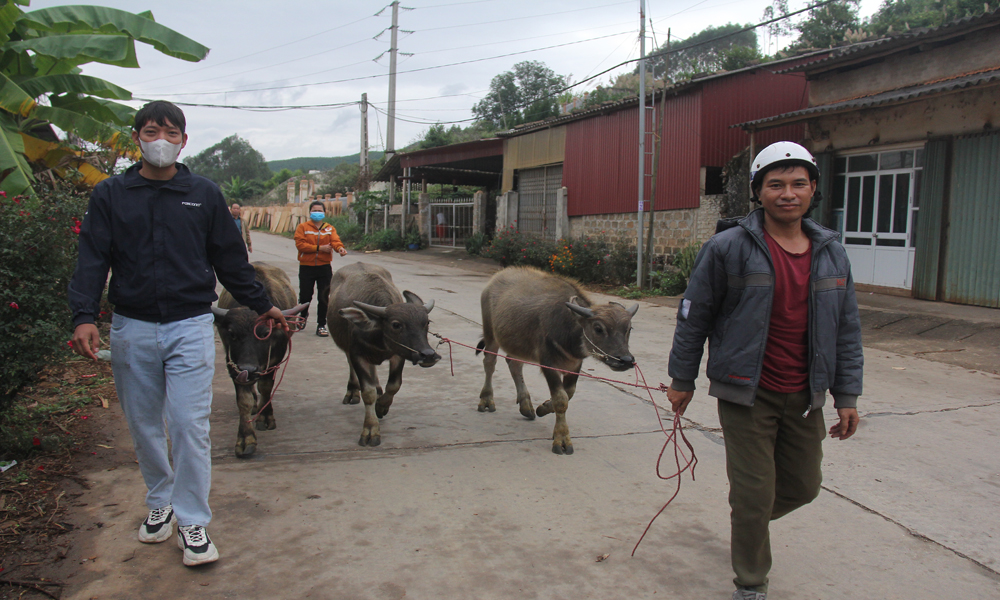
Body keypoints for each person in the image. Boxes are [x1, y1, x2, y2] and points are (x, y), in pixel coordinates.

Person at [68, 100, 289, 567]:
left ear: (184, 141)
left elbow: (230, 261)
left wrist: (264, 302)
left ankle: (192, 521)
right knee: (146, 425)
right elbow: (92, 258)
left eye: (171, 133)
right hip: (131, 327)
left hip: (190, 325)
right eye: (152, 132)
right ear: (138, 139)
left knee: (190, 425)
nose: (161, 141)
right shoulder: (110, 195)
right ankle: (159, 503)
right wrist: (83, 314)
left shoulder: (204, 194)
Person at [665, 141, 863, 600]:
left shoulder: (832, 252)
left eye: (798, 183)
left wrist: (847, 395)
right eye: (776, 184)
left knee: (804, 487)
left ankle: (747, 526)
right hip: (746, 392)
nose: (787, 193)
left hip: (806, 394)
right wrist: (682, 380)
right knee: (753, 493)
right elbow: (694, 316)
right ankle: (751, 581)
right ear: (759, 192)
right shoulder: (727, 247)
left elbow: (847, 329)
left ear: (813, 188)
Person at [294, 200, 347, 337]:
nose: (317, 213)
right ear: (310, 212)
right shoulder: (303, 227)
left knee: (324, 297)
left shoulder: (329, 228)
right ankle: (302, 318)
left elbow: (335, 241)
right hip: (306, 267)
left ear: (324, 213)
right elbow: (301, 245)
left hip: (324, 267)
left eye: (319, 211)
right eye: (314, 210)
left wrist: (339, 248)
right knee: (305, 296)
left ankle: (322, 325)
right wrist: (319, 248)